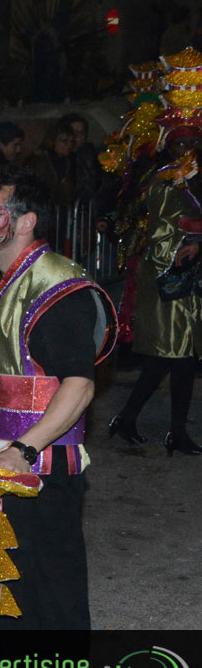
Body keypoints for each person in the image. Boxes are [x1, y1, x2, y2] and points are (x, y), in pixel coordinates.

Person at [0, 169, 115, 634]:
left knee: (48, 586)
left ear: (25, 222)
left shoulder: (57, 286)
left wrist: (25, 449)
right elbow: (11, 358)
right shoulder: (1, 279)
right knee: (4, 579)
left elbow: (79, 384)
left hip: (39, 463)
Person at [109, 125, 201, 454]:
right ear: (168, 145)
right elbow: (164, 235)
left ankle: (128, 419)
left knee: (173, 358)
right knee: (180, 356)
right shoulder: (164, 179)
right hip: (169, 277)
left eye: (193, 142)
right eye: (180, 143)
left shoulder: (192, 177)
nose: (187, 148)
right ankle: (174, 432)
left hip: (188, 278)